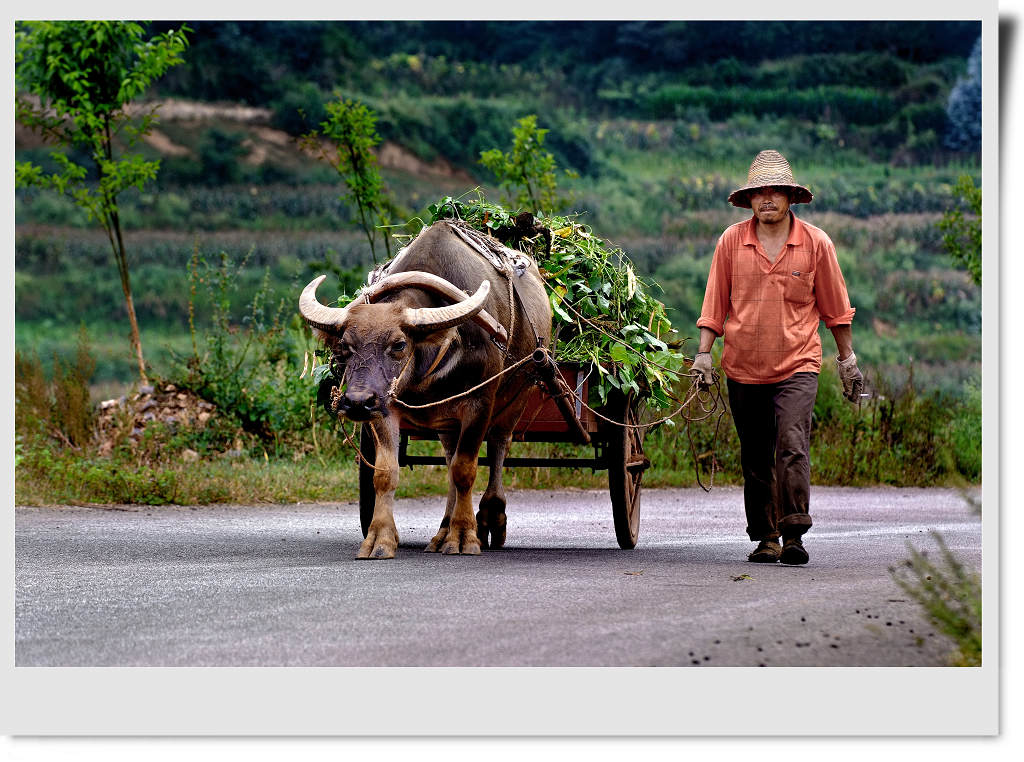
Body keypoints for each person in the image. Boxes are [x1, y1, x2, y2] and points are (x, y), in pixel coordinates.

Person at [692, 149, 864, 566]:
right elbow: (715, 304)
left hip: (797, 364)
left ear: (790, 197)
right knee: (755, 454)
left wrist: (847, 361)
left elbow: (835, 308)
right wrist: (703, 356)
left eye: (775, 192)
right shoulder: (731, 241)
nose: (767, 198)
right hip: (743, 367)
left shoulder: (815, 243)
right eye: (759, 192)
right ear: (749, 199)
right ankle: (765, 536)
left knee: (791, 445)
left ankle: (793, 532)